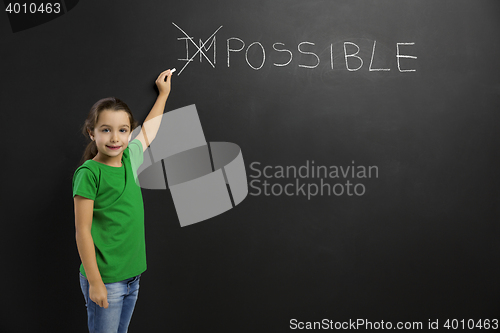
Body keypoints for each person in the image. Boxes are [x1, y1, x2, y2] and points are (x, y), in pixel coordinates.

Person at [72, 69, 173, 333]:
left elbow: (149, 130)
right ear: (92, 133)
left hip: (133, 277)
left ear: (129, 133)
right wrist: (95, 282)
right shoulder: (89, 173)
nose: (115, 138)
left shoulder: (130, 158)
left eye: (122, 130)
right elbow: (82, 230)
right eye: (106, 130)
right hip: (106, 280)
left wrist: (163, 95)